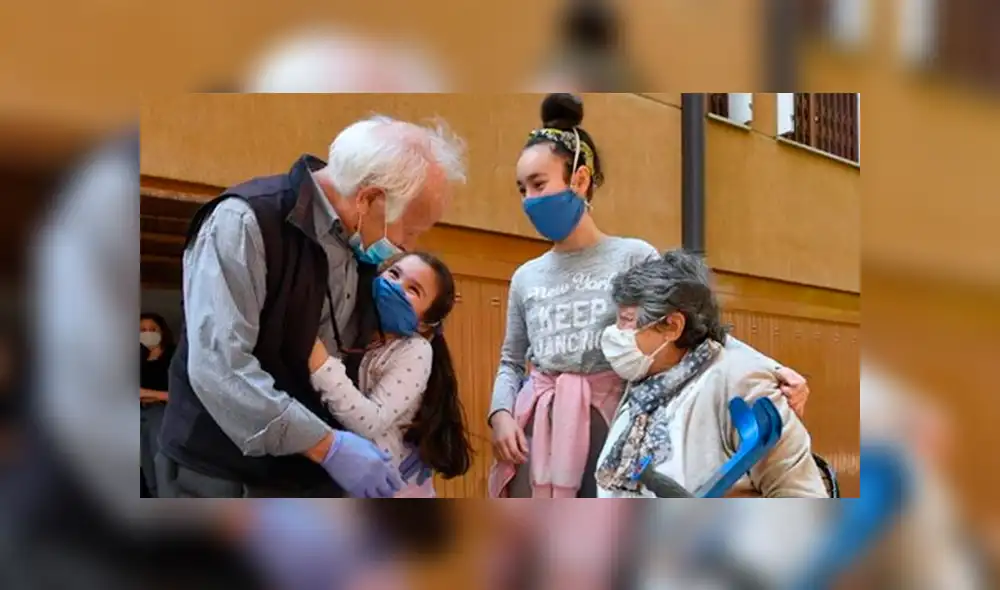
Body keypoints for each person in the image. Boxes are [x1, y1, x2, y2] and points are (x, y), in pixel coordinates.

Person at [488, 93, 812, 498]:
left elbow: (690, 328)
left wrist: (775, 369)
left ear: (580, 180)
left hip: (615, 427)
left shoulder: (632, 255)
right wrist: (500, 414)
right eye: (521, 189)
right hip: (538, 432)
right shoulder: (525, 277)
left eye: (538, 184)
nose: (529, 200)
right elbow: (510, 361)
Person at [156, 115, 467, 498]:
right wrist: (327, 447)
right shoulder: (246, 221)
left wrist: (413, 431)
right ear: (369, 199)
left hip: (303, 471)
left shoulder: (361, 246)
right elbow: (220, 367)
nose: (408, 245)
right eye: (411, 229)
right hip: (224, 469)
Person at [595, 250, 828, 498]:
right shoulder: (643, 382)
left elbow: (801, 495)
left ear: (673, 326)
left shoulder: (742, 383)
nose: (615, 332)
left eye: (627, 320)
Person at [307, 252, 472, 497]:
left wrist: (320, 363)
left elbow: (370, 421)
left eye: (413, 290)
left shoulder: (415, 350)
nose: (394, 286)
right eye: (394, 274)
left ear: (425, 323)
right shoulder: (357, 333)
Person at [140, 312, 174, 497]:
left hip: (162, 413)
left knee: (159, 458)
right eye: (142, 330)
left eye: (153, 329)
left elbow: (179, 395)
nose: (147, 333)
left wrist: (147, 394)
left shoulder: (173, 356)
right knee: (146, 463)